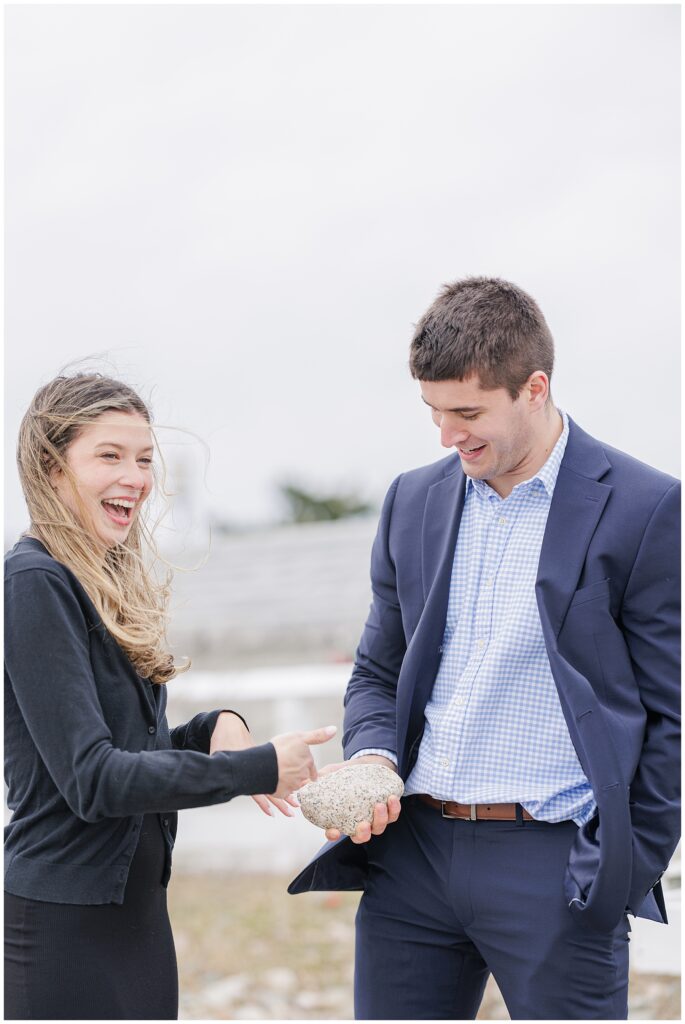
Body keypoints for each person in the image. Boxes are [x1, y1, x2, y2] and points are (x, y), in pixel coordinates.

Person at [289, 277, 681, 1020]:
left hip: (554, 863)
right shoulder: (412, 499)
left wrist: (617, 874)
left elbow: (668, 715)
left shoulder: (644, 505)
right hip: (410, 858)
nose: (446, 436)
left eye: (467, 413)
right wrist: (372, 755)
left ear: (533, 388)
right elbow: (377, 667)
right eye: (433, 413)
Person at [4, 372, 336, 1020]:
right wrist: (255, 769)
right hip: (68, 932)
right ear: (51, 466)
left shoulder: (98, 580)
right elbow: (93, 779)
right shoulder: (35, 582)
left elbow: (136, 748)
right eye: (109, 455)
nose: (135, 477)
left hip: (137, 921)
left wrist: (218, 727)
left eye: (144, 459)